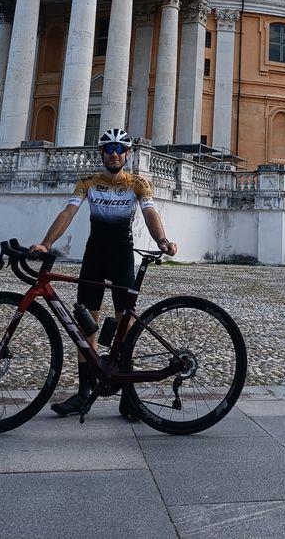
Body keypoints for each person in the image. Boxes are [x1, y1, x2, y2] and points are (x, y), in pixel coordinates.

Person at [30, 128, 177, 418]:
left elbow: (150, 213)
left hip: (122, 254)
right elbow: (68, 213)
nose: (113, 153)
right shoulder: (88, 182)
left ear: (127, 154)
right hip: (94, 254)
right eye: (108, 149)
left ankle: (130, 395)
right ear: (101, 154)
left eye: (118, 149)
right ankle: (84, 392)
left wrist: (162, 240)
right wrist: (46, 244)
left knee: (126, 324)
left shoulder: (138, 183)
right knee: (86, 323)